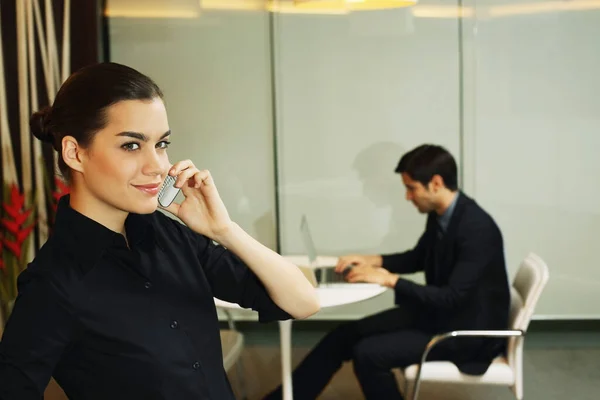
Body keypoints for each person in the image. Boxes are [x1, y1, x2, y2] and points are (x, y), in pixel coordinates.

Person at [0, 62, 320, 400]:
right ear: (75, 153)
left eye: (162, 144)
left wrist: (224, 230)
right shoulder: (54, 283)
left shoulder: (172, 237)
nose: (158, 167)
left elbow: (303, 302)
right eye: (132, 146)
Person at [264, 144, 510, 400]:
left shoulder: (476, 229)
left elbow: (451, 297)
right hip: (440, 315)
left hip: (464, 334)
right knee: (342, 336)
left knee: (368, 353)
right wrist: (371, 260)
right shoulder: (444, 215)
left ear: (435, 183)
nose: (407, 197)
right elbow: (418, 257)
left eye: (411, 188)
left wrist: (389, 280)